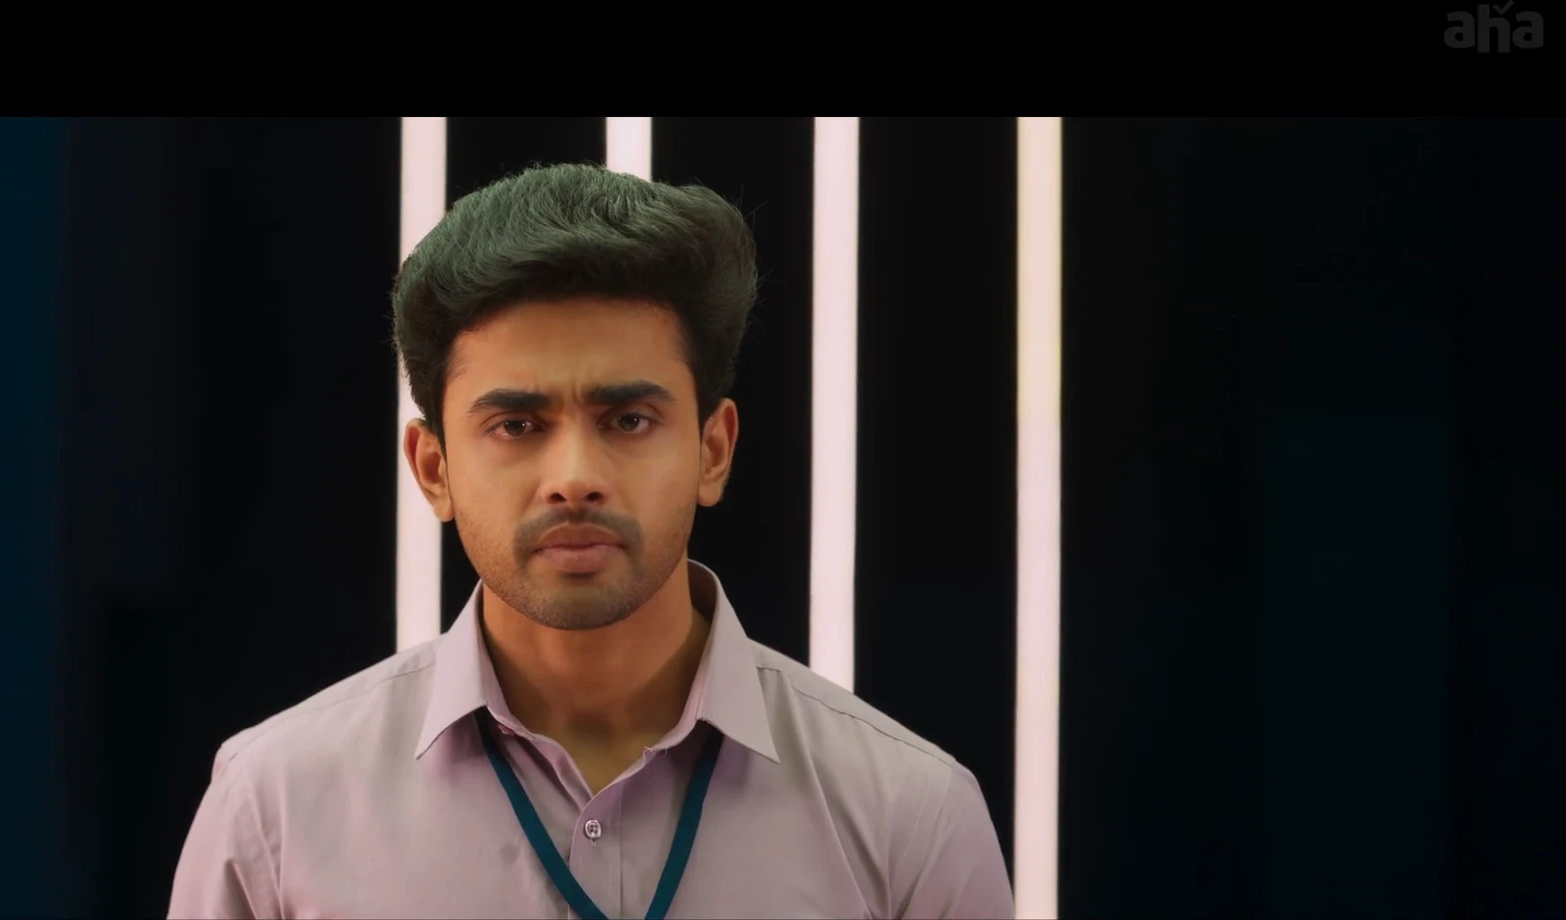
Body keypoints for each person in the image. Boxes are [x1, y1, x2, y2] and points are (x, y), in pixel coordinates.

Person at [167, 162, 1015, 919]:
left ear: (714, 451)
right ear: (433, 468)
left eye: (629, 419)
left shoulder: (911, 816)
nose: (574, 477)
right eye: (517, 424)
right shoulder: (276, 806)